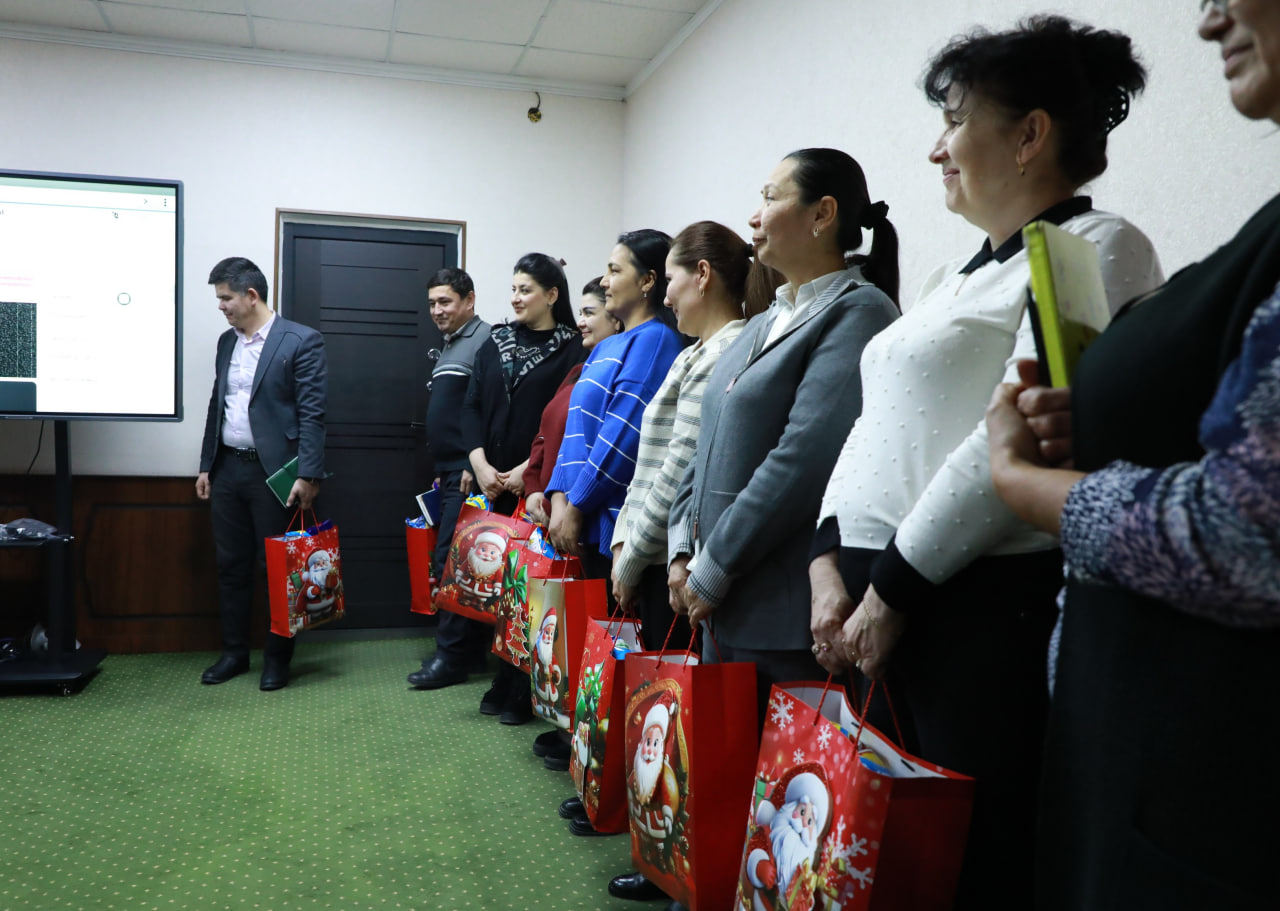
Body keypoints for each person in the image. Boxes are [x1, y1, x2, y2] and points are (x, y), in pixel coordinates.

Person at [809, 18, 1164, 908]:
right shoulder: (951, 278)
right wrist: (824, 563)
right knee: (878, 858)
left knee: (972, 868)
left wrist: (891, 590)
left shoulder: (1097, 245)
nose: (936, 150)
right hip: (874, 602)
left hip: (970, 614)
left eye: (954, 122)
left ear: (1030, 134)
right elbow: (876, 423)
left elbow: (1018, 435)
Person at [985, 3, 1280, 907]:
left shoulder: (1102, 243)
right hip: (1138, 760)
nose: (1209, 21)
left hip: (1208, 799)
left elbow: (1245, 535)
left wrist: (1024, 482)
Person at [611, 151, 899, 909]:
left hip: (776, 602)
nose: (753, 214)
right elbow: (699, 448)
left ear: (823, 214)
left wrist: (712, 565)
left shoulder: (858, 312)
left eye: (769, 196)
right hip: (720, 596)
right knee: (722, 775)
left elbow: (802, 460)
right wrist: (681, 549)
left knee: (778, 795)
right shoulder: (769, 318)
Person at [460, 253, 584, 724]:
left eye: (525, 289)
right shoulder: (495, 340)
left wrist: (523, 471)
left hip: (534, 486)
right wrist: (479, 463)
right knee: (493, 586)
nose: (515, 298)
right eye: (513, 288)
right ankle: (501, 675)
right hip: (491, 483)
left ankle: (522, 685)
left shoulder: (574, 347)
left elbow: (559, 423)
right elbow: (471, 406)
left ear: (552, 295)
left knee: (529, 590)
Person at [196, 256, 327, 692]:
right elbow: (217, 405)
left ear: (251, 295)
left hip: (276, 475)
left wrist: (308, 474)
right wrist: (206, 465)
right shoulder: (226, 342)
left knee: (277, 569)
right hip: (227, 469)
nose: (221, 306)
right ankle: (234, 653)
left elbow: (313, 413)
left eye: (226, 298)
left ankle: (277, 659)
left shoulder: (301, 340)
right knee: (230, 565)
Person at [544, 230, 684, 576]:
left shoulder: (655, 340)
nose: (604, 282)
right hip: (575, 522)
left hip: (608, 527)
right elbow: (574, 430)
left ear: (647, 281)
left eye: (615, 271)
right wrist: (559, 498)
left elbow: (622, 437)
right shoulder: (606, 346)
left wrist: (576, 505)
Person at [405, 268, 491, 691]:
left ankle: (451, 658)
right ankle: (465, 651)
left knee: (453, 562)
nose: (437, 311)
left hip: (467, 471)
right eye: (432, 304)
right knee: (457, 561)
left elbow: (487, 409)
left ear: (469, 300)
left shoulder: (485, 340)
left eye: (445, 302)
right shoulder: (452, 342)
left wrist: (472, 463)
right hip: (449, 471)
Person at [522, 278, 620, 526]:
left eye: (589, 313)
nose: (580, 322)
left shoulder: (616, 377)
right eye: (580, 313)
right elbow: (543, 435)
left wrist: (564, 505)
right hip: (547, 513)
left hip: (578, 517)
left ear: (616, 320)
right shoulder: (577, 371)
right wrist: (533, 487)